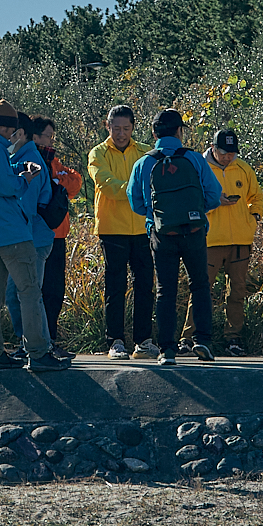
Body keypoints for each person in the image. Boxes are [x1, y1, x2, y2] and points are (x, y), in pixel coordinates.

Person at [0, 101, 68, 372]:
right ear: (5, 127)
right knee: (30, 292)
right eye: (11, 130)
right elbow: (5, 186)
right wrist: (25, 179)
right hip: (11, 232)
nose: (12, 136)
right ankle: (37, 353)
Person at [128, 109, 224, 366]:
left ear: (153, 133)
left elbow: (135, 202)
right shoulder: (193, 159)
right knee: (200, 285)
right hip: (193, 231)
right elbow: (214, 195)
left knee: (165, 291)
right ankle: (202, 340)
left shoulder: (143, 162)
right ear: (179, 131)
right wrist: (194, 212)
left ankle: (166, 349)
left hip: (161, 233)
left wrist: (154, 215)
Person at [6, 116, 81, 354]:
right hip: (39, 235)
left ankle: (44, 342)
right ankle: (37, 343)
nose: (50, 140)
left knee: (51, 292)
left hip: (50, 235)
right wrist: (60, 180)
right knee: (30, 293)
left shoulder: (46, 160)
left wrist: (60, 179)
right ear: (34, 136)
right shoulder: (36, 160)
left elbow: (76, 182)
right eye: (47, 135)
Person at [87, 105, 155, 360]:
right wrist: (138, 190)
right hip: (112, 229)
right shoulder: (98, 153)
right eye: (116, 129)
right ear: (108, 127)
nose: (121, 134)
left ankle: (143, 341)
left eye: (126, 128)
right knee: (115, 286)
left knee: (144, 285)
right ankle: (115, 341)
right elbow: (108, 186)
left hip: (142, 228)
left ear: (133, 127)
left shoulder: (145, 152)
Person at [200, 129, 263, 355]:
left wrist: (253, 216)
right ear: (213, 149)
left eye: (231, 153)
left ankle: (233, 338)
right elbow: (193, 197)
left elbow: (256, 196)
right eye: (223, 152)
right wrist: (214, 202)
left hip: (240, 240)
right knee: (200, 289)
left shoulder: (244, 168)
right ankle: (192, 337)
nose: (228, 157)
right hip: (209, 240)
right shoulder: (200, 167)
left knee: (237, 291)